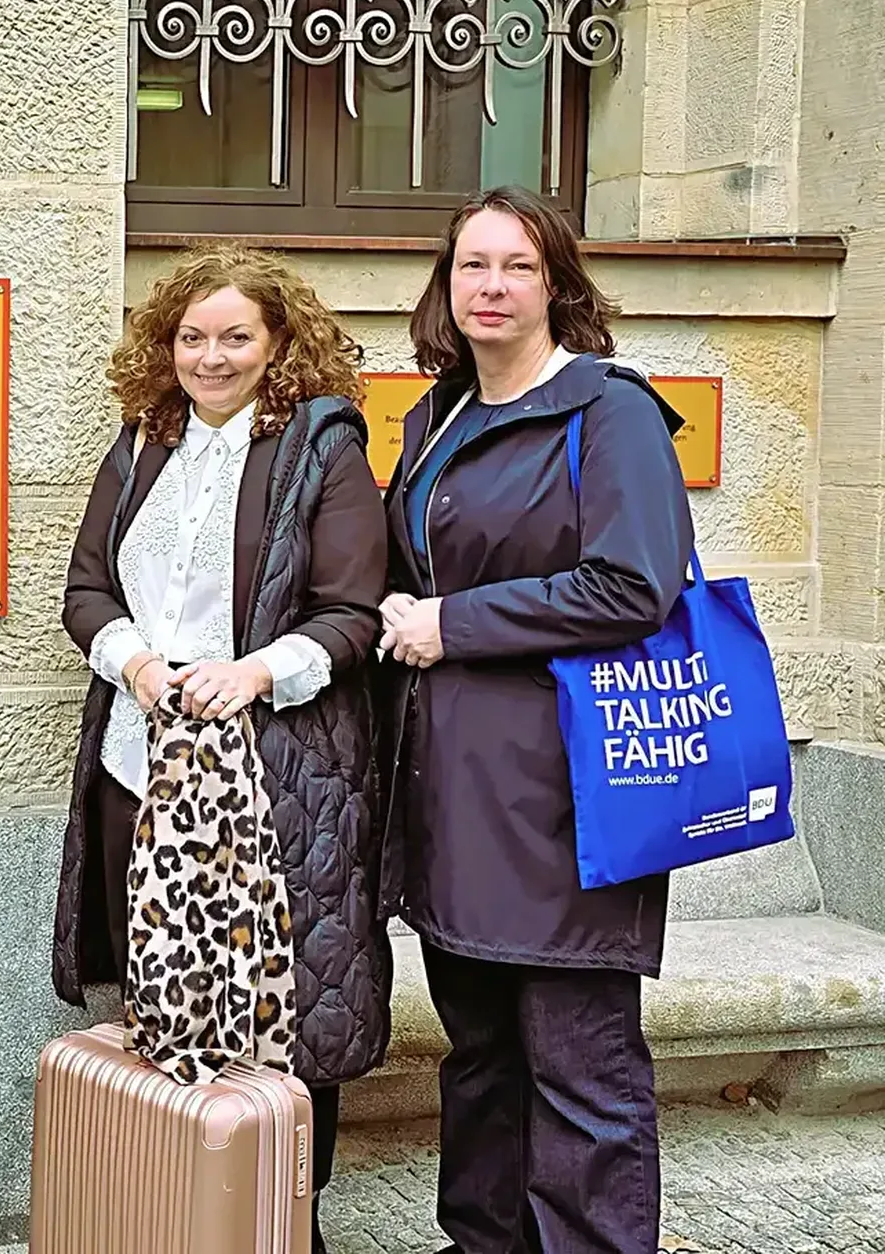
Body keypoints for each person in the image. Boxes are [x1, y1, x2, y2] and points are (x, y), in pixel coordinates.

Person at [56, 243, 390, 1253]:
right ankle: (172, 1209)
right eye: (192, 337)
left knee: (274, 1015)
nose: (210, 356)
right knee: (154, 995)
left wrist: (252, 673)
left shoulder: (320, 446)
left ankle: (282, 1220)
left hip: (274, 779)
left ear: (277, 342)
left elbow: (353, 614)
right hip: (137, 764)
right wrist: (137, 666)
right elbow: (85, 591)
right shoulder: (141, 444)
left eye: (235, 336)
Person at [380, 187, 691, 1254]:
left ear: (556, 280)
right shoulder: (438, 415)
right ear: (447, 283)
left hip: (569, 803)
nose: (492, 286)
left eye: (517, 266)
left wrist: (452, 624)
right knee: (477, 1062)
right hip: (453, 799)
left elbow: (632, 586)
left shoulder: (613, 412)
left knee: (582, 1074)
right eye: (473, 266)